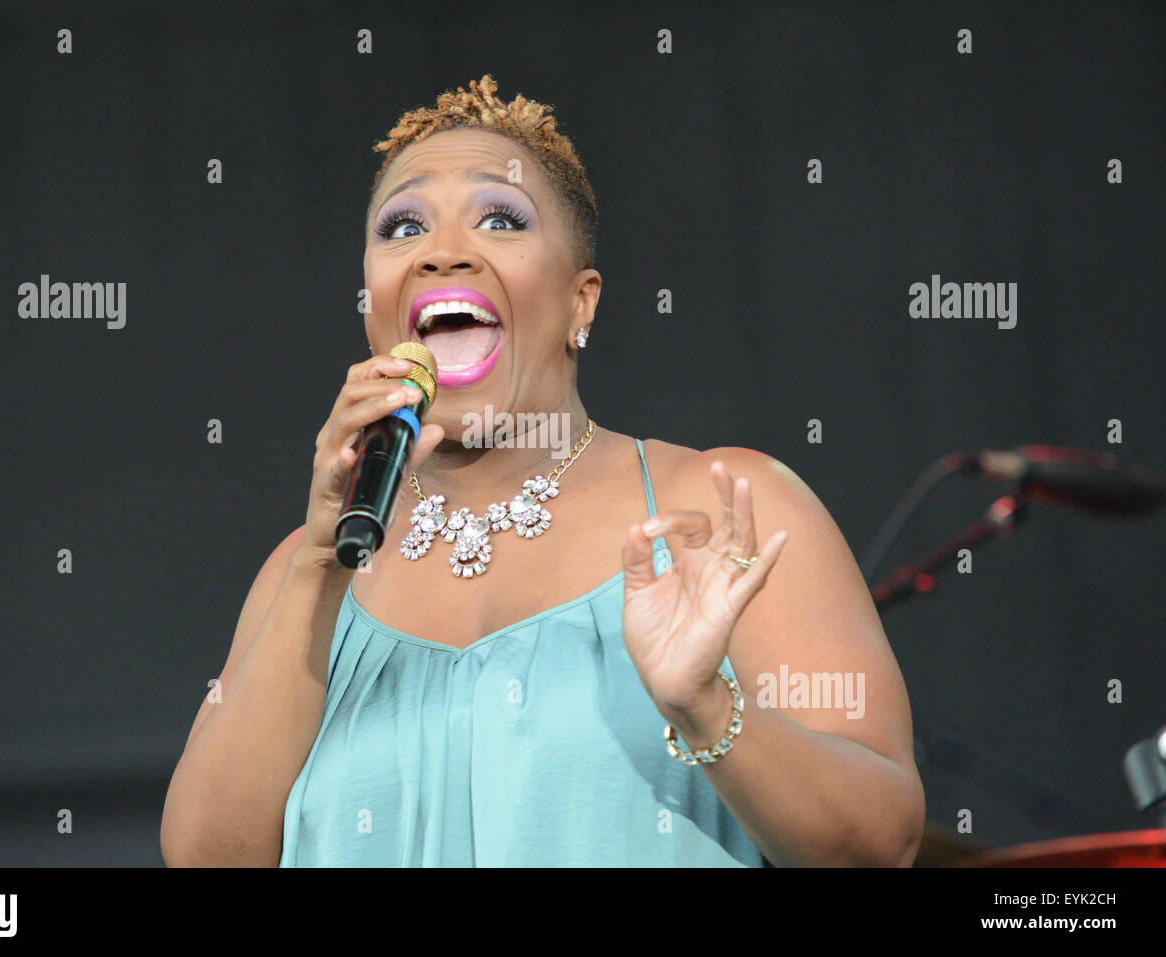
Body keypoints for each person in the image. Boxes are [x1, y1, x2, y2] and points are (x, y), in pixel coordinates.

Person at [161, 75, 924, 867]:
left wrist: (705, 706)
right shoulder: (303, 570)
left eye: (499, 218)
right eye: (402, 226)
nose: (442, 250)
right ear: (372, 303)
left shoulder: (728, 504)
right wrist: (322, 563)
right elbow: (207, 858)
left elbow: (882, 842)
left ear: (579, 302)